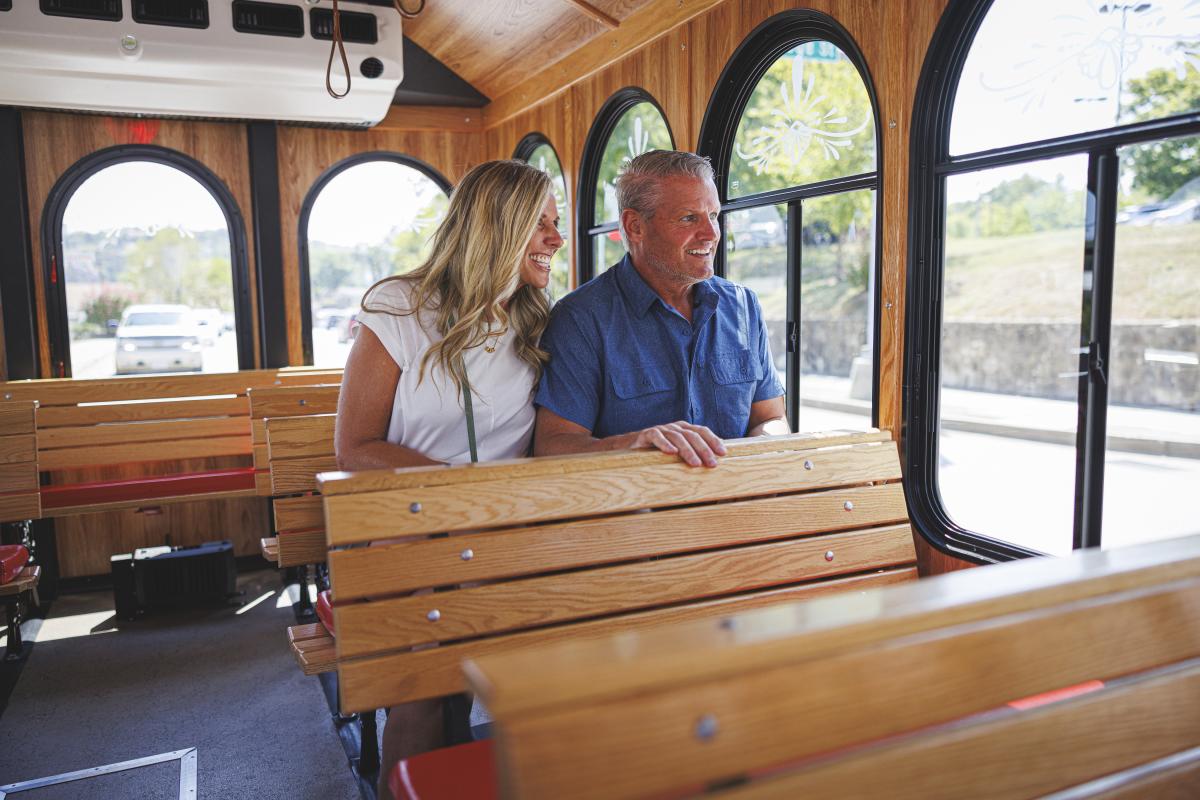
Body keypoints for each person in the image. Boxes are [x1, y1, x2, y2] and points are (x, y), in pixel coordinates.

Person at [334, 159, 563, 799]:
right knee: (423, 699)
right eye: (540, 224)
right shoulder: (399, 307)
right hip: (410, 531)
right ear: (498, 227)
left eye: (556, 223)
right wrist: (451, 491)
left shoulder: (540, 322)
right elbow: (354, 446)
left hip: (507, 540)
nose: (556, 239)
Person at [533, 150, 788, 465]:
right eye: (688, 218)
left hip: (737, 505)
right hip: (637, 510)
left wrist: (769, 445)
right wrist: (633, 444)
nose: (711, 234)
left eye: (713, 215)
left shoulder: (744, 306)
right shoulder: (581, 318)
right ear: (635, 226)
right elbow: (553, 444)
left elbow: (770, 418)